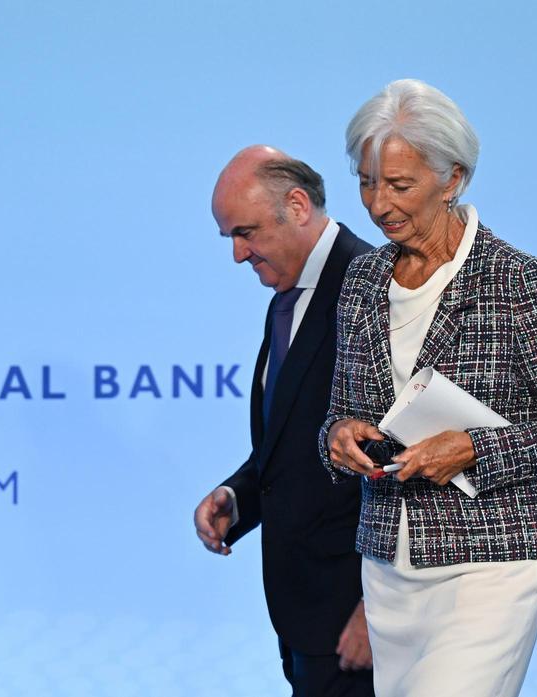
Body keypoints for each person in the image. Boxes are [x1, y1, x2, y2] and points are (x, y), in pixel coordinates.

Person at [322, 79, 537, 696]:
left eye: (399, 185)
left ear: (452, 178)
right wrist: (340, 436)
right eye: (367, 182)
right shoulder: (362, 280)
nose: (378, 204)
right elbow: (343, 411)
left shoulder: (519, 279)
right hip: (390, 562)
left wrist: (476, 449)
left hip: (495, 557)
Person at [194, 145, 375, 697]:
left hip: (360, 624)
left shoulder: (371, 286)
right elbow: (294, 443)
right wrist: (239, 496)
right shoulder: (285, 296)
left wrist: (384, 607)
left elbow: (403, 459)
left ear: (297, 206)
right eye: (230, 237)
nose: (238, 254)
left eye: (244, 232)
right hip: (305, 618)